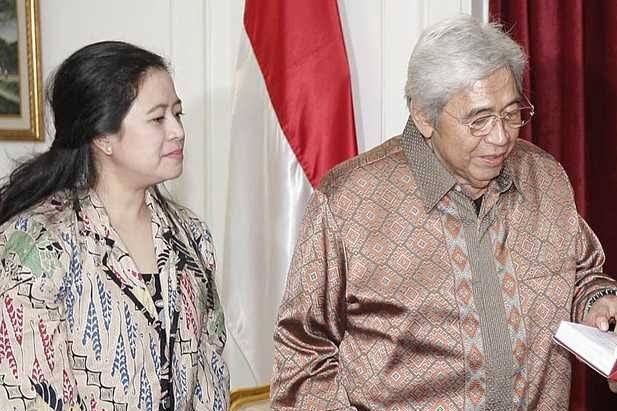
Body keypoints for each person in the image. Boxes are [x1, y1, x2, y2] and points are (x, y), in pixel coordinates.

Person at [271, 15, 617, 410]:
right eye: (479, 120)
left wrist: (597, 301)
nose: (501, 137)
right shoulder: (349, 201)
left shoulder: (544, 178)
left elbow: (580, 274)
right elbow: (301, 355)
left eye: (510, 114)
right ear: (424, 116)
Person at [0, 41, 229, 410]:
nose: (178, 131)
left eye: (178, 114)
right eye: (158, 118)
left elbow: (211, 375)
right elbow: (30, 396)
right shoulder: (35, 247)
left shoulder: (192, 236)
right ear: (103, 137)